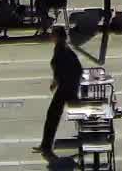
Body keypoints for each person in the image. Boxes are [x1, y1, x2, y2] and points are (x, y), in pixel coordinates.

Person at [35, 26, 82, 155]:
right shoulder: (62, 48)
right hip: (68, 86)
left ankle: (46, 146)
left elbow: (62, 69)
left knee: (52, 116)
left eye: (53, 34)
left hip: (66, 88)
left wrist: (56, 83)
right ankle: (45, 145)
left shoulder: (62, 49)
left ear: (59, 36)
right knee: (73, 113)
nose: (51, 36)